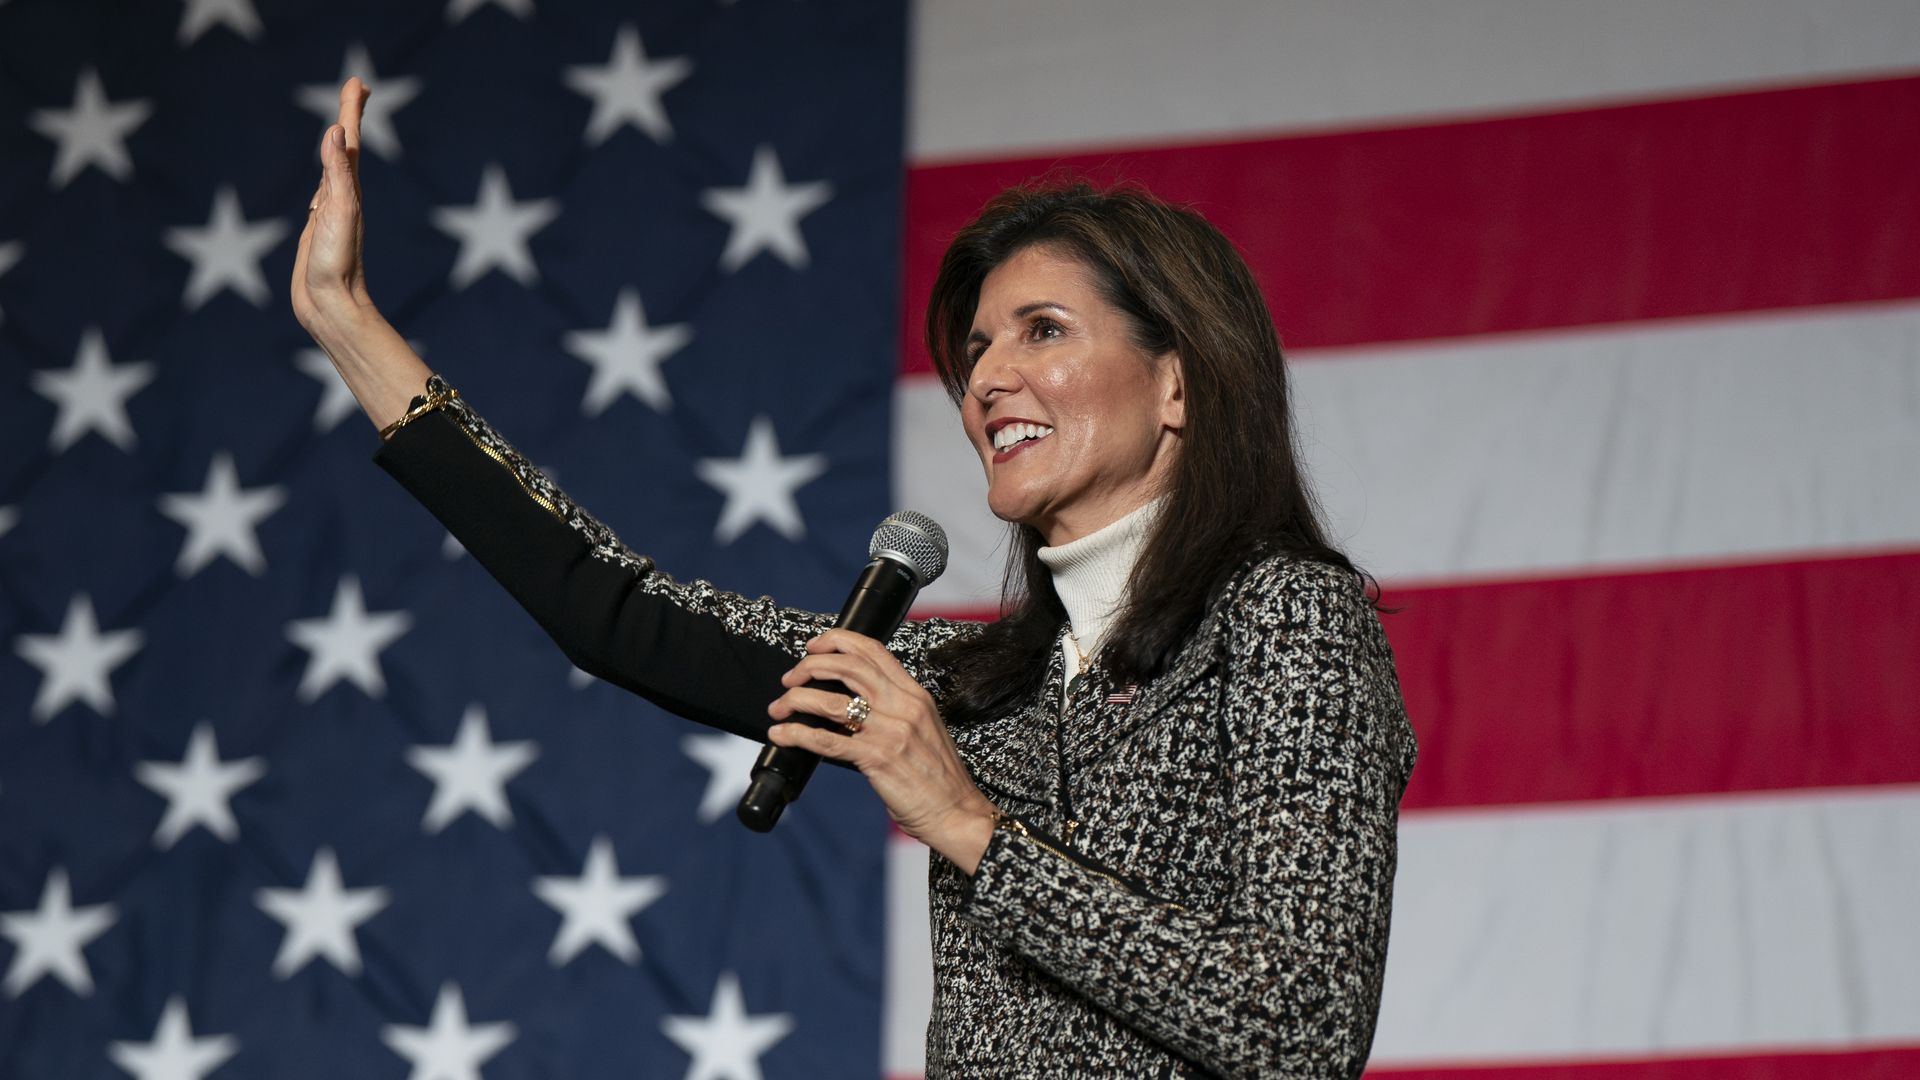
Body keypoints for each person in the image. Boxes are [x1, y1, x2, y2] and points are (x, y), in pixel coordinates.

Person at [294, 80, 1417, 1079]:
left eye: (1043, 330)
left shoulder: (1286, 616)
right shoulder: (968, 681)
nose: (989, 379)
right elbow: (617, 612)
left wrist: (971, 827)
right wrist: (349, 327)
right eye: (978, 349)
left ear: (1176, 381)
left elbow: (1302, 1025)